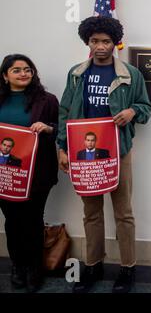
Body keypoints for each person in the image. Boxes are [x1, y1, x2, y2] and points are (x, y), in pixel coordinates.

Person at [58, 16, 151, 294]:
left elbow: (145, 107)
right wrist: (62, 148)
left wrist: (133, 111)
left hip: (118, 152)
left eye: (106, 41)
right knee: (91, 213)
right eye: (95, 41)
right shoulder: (77, 74)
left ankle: (127, 268)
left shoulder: (130, 75)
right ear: (88, 42)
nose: (100, 46)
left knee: (124, 213)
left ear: (114, 43)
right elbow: (65, 113)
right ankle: (93, 265)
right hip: (84, 155)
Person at [0, 54, 59, 292]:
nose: (23, 73)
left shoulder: (47, 100)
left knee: (32, 221)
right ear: (5, 76)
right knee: (12, 222)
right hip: (5, 175)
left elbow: (62, 129)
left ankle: (35, 268)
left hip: (37, 174)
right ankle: (18, 266)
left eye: (28, 69)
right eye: (16, 70)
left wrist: (48, 128)